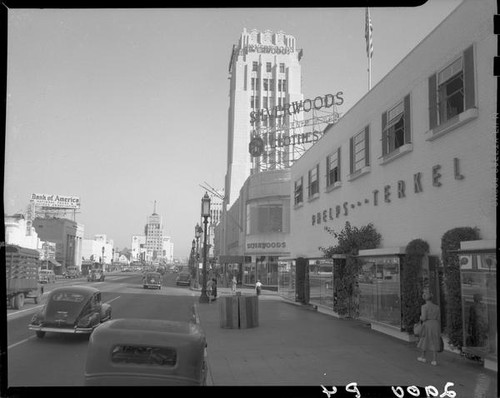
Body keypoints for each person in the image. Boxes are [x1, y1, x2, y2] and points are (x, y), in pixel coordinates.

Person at [417, 291, 441, 366]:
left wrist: (420, 317)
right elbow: (438, 317)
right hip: (435, 324)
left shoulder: (424, 307)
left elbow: (424, 318)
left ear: (425, 298)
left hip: (427, 325)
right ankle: (434, 360)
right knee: (435, 340)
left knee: (424, 340)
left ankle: (423, 357)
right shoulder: (437, 307)